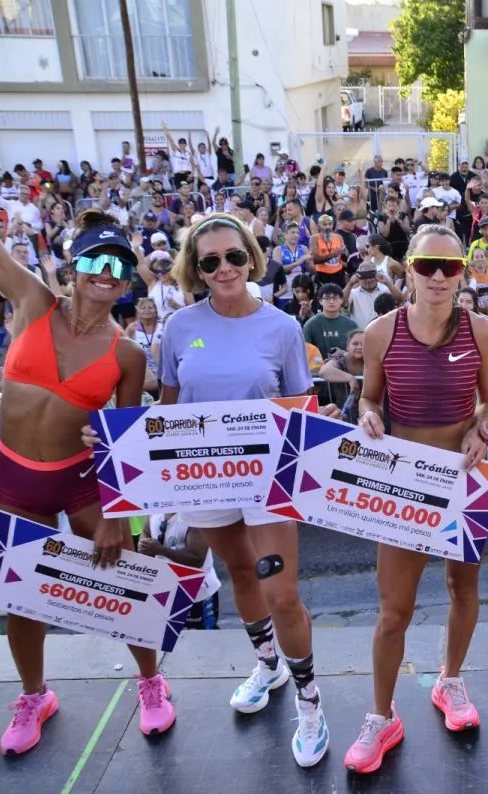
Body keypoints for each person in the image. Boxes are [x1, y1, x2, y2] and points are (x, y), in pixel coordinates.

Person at [0, 158, 171, 753]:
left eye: (119, 267)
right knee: (21, 598)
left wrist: (116, 517)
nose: (106, 274)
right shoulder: (31, 300)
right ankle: (35, 695)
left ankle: (151, 683)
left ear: (127, 284)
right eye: (97, 261)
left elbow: (124, 444)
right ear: (75, 267)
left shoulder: (127, 355)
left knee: (123, 584)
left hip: (81, 484)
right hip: (18, 482)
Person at [155, 213, 335, 767]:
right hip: (204, 477)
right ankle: (267, 664)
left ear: (250, 257)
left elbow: (299, 408)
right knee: (239, 574)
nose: (224, 268)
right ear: (196, 268)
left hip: (270, 479)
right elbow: (166, 410)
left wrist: (322, 423)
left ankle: (310, 700)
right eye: (210, 261)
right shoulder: (179, 327)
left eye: (234, 256)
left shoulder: (282, 327)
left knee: (281, 593)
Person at [343, 225, 488, 774]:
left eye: (449, 267)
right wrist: (368, 416)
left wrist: (481, 427)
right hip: (405, 485)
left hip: (462, 481)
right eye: (426, 265)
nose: (437, 276)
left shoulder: (481, 330)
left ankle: (449, 680)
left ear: (462, 274)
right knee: (394, 611)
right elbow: (369, 397)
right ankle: (381, 716)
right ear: (407, 269)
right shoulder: (382, 331)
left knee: (463, 589)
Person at [303, 283, 359, 357]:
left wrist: (344, 354)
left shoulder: (352, 325)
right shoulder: (310, 325)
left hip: (345, 362)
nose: (331, 301)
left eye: (335, 298)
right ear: (320, 301)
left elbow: (358, 349)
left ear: (341, 300)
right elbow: (306, 350)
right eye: (327, 298)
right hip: (318, 363)